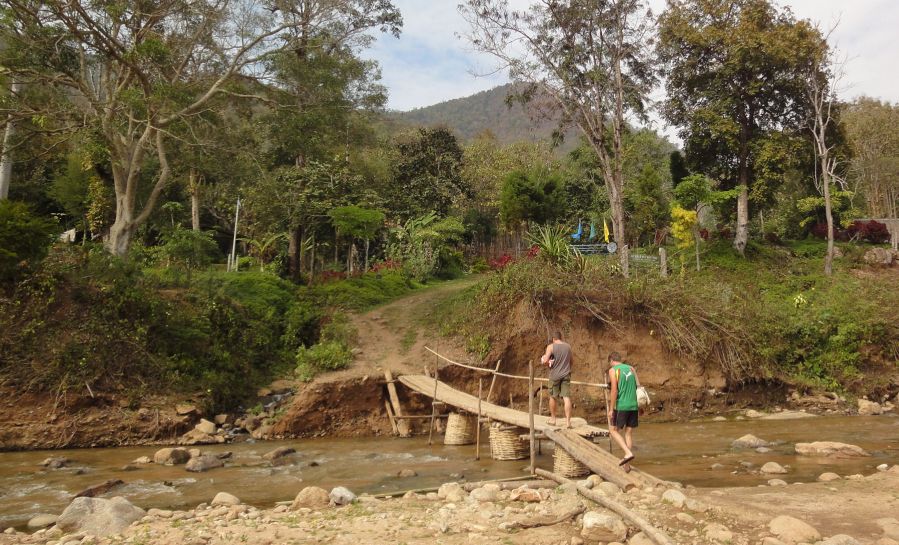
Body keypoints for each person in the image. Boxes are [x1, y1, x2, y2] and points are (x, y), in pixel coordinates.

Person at [607, 351, 639, 470]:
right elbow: (638, 386)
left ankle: (628, 453)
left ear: (611, 361)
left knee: (613, 430)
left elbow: (614, 390)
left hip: (622, 406)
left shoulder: (613, 370)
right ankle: (627, 464)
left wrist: (611, 409)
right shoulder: (631, 368)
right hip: (634, 405)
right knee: (628, 433)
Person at [541, 331, 572, 428]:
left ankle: (553, 419)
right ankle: (568, 422)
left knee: (553, 397)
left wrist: (544, 360)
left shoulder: (551, 347)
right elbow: (571, 361)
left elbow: (545, 360)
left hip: (555, 375)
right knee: (566, 397)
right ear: (560, 337)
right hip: (566, 374)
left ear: (554, 339)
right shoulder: (568, 347)